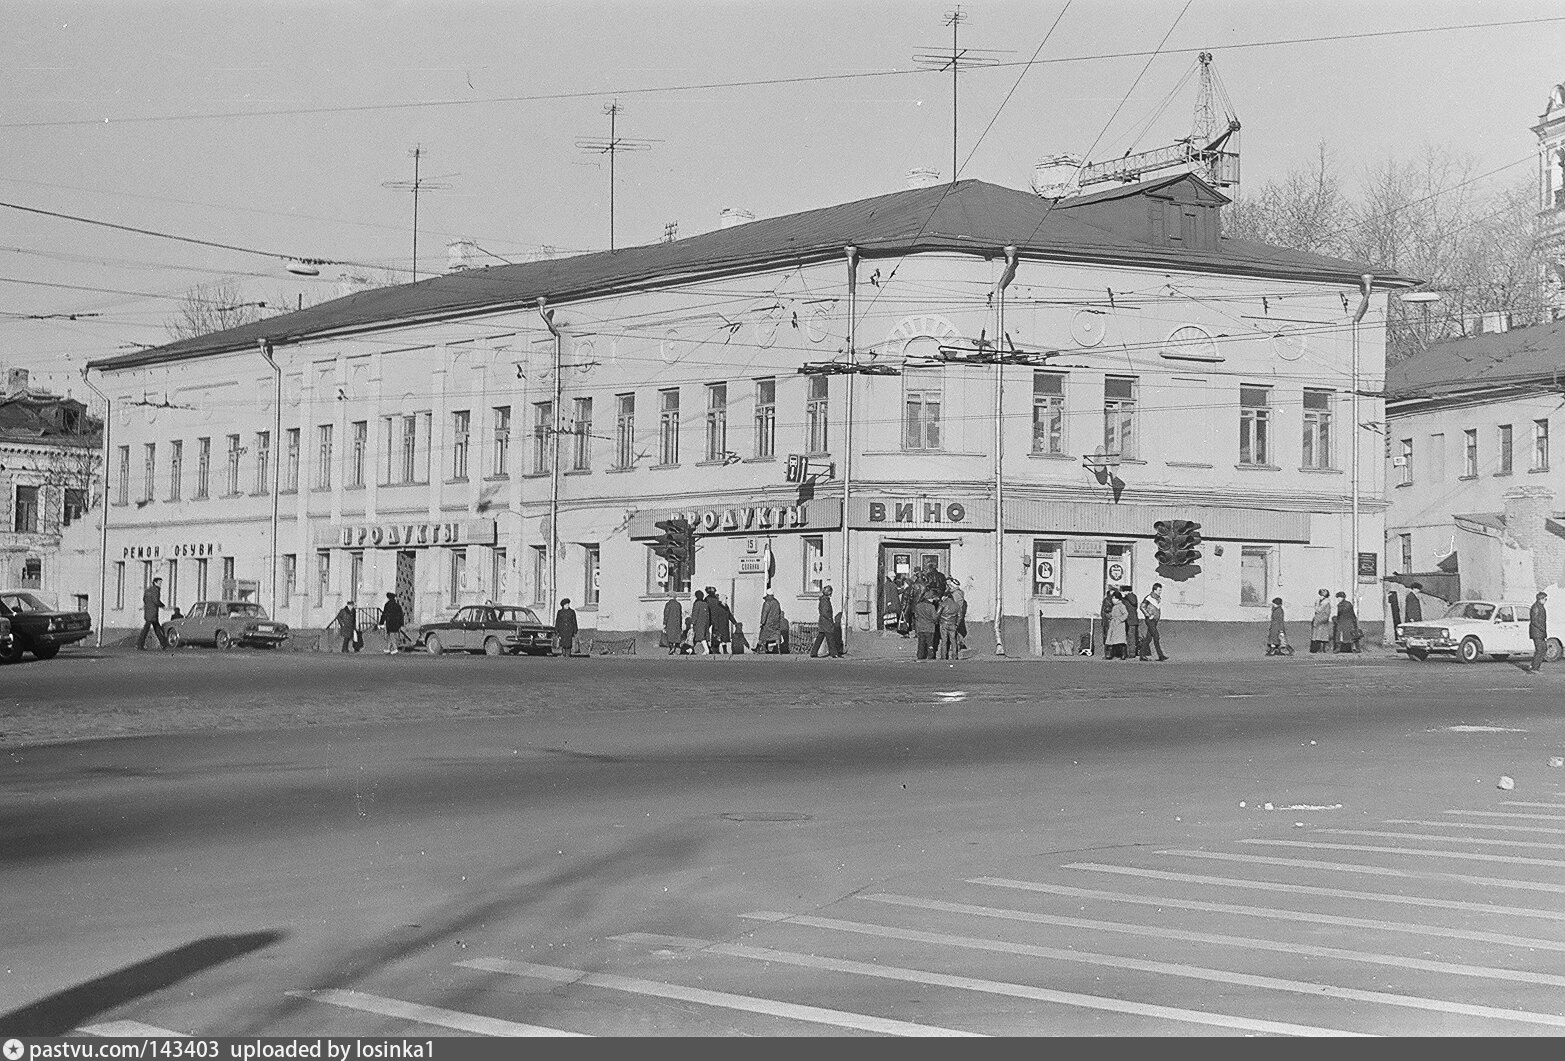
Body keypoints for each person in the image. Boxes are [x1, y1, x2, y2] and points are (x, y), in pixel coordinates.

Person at [137, 576, 169, 650]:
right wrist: (162, 605)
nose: (160, 584)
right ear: (155, 583)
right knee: (147, 629)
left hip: (148, 611)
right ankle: (140, 644)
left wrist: (148, 606)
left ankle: (163, 643)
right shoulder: (156, 590)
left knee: (156, 627)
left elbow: (144, 599)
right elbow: (156, 600)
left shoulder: (148, 590)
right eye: (159, 582)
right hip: (153, 612)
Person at [811, 585, 843, 658]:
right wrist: (829, 619)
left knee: (820, 637)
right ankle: (834, 653)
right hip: (826, 622)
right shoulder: (825, 600)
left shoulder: (823, 599)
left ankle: (813, 652)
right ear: (828, 592)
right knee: (830, 637)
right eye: (830, 591)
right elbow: (825, 612)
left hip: (823, 621)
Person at [1140, 583, 1168, 660]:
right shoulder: (1149, 598)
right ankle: (1160, 655)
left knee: (1148, 638)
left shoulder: (1158, 598)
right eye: (1159, 590)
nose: (1160, 592)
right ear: (1154, 590)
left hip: (1155, 620)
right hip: (1150, 620)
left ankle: (1142, 655)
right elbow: (1142, 607)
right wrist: (1148, 615)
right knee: (1156, 636)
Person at [936, 589, 962, 660]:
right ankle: (955, 656)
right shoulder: (957, 605)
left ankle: (943, 656)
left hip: (944, 623)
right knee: (953, 641)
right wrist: (957, 624)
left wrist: (937, 621)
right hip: (953, 624)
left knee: (944, 641)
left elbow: (937, 614)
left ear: (946, 596)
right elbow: (960, 616)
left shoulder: (943, 604)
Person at [706, 587, 733, 654]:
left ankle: (713, 649)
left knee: (716, 635)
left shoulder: (707, 599)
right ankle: (716, 649)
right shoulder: (716, 599)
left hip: (712, 618)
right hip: (717, 620)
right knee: (718, 636)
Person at [913, 591, 938, 661]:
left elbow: (916, 616)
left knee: (921, 643)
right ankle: (930, 656)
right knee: (930, 643)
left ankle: (920, 655)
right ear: (929, 598)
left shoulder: (918, 605)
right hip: (929, 627)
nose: (933, 600)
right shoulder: (931, 607)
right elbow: (934, 617)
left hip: (920, 627)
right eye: (932, 598)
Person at [1529, 590, 1549, 672]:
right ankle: (1535, 668)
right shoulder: (1536, 607)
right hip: (1537, 632)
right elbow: (1534, 621)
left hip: (1540, 632)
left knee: (1543, 648)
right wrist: (1542, 629)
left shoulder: (1540, 606)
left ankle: (1534, 665)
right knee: (1540, 650)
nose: (1545, 601)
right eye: (1545, 599)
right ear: (1540, 599)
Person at [948, 577, 968, 657]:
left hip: (956, 615)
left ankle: (958, 646)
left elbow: (958, 605)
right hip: (957, 615)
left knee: (956, 630)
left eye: (949, 584)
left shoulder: (956, 594)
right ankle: (958, 645)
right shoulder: (956, 593)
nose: (948, 586)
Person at [1105, 591, 1128, 660]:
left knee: (1121, 641)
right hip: (1113, 624)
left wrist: (1119, 620)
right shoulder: (1115, 606)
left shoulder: (1121, 606)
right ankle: (1110, 654)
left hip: (1119, 625)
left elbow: (1126, 614)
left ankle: (1123, 654)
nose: (1113, 599)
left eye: (1114, 598)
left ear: (1118, 598)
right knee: (1111, 639)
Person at [1310, 588, 1333, 653]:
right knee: (1316, 637)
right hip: (1317, 621)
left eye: (1322, 596)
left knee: (1322, 637)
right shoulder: (1318, 602)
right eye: (1320, 595)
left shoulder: (1326, 604)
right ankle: (1317, 649)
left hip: (1322, 622)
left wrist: (1321, 620)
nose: (1320, 597)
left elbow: (1327, 614)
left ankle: (1323, 649)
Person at [1121, 585, 1141, 661]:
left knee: (1131, 637)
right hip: (1125, 620)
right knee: (1127, 637)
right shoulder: (1125, 599)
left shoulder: (1132, 596)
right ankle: (1126, 652)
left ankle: (1132, 653)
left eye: (1123, 591)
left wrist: (1128, 595)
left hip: (1132, 620)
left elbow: (1134, 602)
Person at [689, 589, 711, 654]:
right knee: (696, 637)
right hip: (705, 623)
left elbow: (695, 614)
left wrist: (692, 623)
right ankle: (690, 649)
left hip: (698, 623)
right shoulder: (705, 604)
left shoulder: (697, 604)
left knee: (701, 637)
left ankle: (706, 650)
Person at [1099, 587, 1117, 657]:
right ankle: (1108, 653)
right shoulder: (1108, 600)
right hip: (1108, 622)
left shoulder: (1110, 600)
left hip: (1109, 621)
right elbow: (1107, 610)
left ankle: (1110, 653)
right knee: (1108, 637)